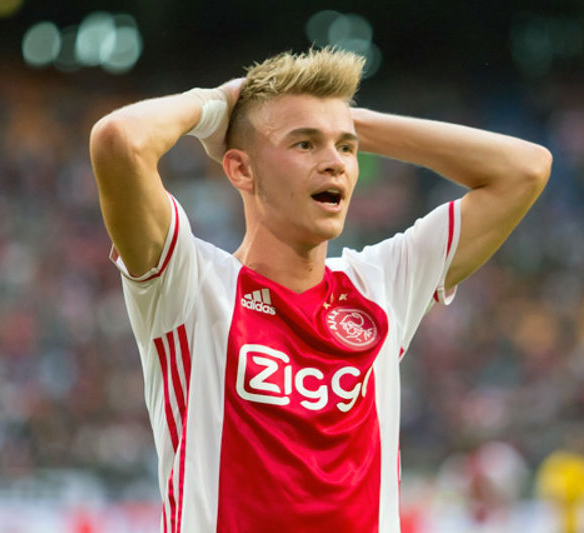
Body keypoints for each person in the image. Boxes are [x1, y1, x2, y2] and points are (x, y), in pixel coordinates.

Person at [89, 47, 551, 533]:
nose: (335, 164)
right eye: (305, 144)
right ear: (241, 169)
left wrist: (353, 124)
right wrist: (213, 106)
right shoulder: (190, 286)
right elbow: (120, 140)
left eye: (346, 149)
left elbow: (526, 168)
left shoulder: (380, 285)